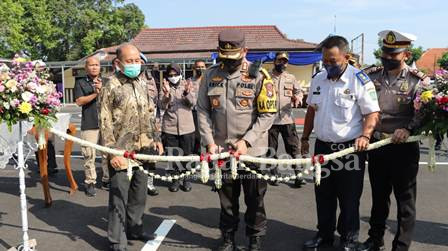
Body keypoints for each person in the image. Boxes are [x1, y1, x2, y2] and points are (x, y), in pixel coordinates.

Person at [197, 29, 277, 251]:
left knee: (255, 199)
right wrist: (209, 142)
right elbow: (202, 111)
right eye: (224, 57)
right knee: (227, 199)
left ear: (245, 51)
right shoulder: (210, 75)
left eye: (234, 58)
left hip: (252, 152)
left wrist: (247, 141)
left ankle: (254, 239)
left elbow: (268, 114)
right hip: (222, 151)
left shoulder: (260, 75)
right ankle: (228, 238)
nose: (229, 63)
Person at [300, 35, 380, 251]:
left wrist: (365, 136)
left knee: (349, 198)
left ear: (346, 57)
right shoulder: (318, 79)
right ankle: (324, 235)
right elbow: (310, 111)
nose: (328, 65)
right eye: (325, 60)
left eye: (332, 61)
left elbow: (372, 113)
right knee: (323, 195)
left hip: (350, 150)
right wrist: (305, 137)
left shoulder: (359, 80)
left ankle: (349, 239)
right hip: (323, 148)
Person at [358, 30, 430, 251]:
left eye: (393, 55)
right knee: (379, 198)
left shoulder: (418, 81)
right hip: (378, 146)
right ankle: (375, 239)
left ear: (406, 55)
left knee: (405, 201)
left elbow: (425, 113)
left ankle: (401, 245)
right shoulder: (371, 76)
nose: (387, 58)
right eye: (385, 53)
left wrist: (408, 128)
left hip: (404, 149)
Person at [100, 44, 163, 251]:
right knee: (119, 197)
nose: (135, 64)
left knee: (139, 194)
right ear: (118, 63)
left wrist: (156, 138)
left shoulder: (143, 83)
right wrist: (112, 153)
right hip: (121, 152)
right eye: (130, 61)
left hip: (144, 148)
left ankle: (135, 229)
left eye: (137, 60)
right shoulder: (110, 85)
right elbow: (105, 121)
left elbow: (151, 112)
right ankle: (117, 241)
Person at [268, 51, 306, 187]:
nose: (282, 63)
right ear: (275, 61)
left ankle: (298, 175)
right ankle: (273, 175)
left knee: (294, 148)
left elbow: (298, 91)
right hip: (270, 120)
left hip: (287, 119)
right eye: (280, 60)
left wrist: (299, 98)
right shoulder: (266, 77)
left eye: (285, 61)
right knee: (271, 149)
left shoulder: (291, 77)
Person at [74, 56, 109, 197]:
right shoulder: (80, 82)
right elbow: (79, 101)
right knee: (89, 155)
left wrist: (103, 90)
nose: (94, 67)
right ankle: (90, 182)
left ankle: (107, 179)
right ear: (86, 68)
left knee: (108, 154)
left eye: (97, 65)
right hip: (90, 124)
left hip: (107, 124)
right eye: (91, 65)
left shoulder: (107, 81)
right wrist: (96, 93)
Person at [160, 63, 196, 192]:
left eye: (175, 75)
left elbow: (193, 103)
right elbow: (162, 106)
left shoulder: (187, 86)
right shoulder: (164, 87)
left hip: (187, 128)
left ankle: (186, 179)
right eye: (170, 75)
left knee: (187, 155)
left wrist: (187, 92)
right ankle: (175, 179)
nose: (173, 77)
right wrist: (167, 94)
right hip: (170, 128)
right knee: (173, 156)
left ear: (180, 74)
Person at [191, 59, 207, 154]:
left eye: (202, 67)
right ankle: (197, 157)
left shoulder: (209, 80)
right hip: (194, 112)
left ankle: (208, 159)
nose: (200, 69)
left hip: (206, 113)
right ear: (194, 68)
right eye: (198, 67)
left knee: (206, 136)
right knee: (196, 137)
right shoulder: (189, 81)